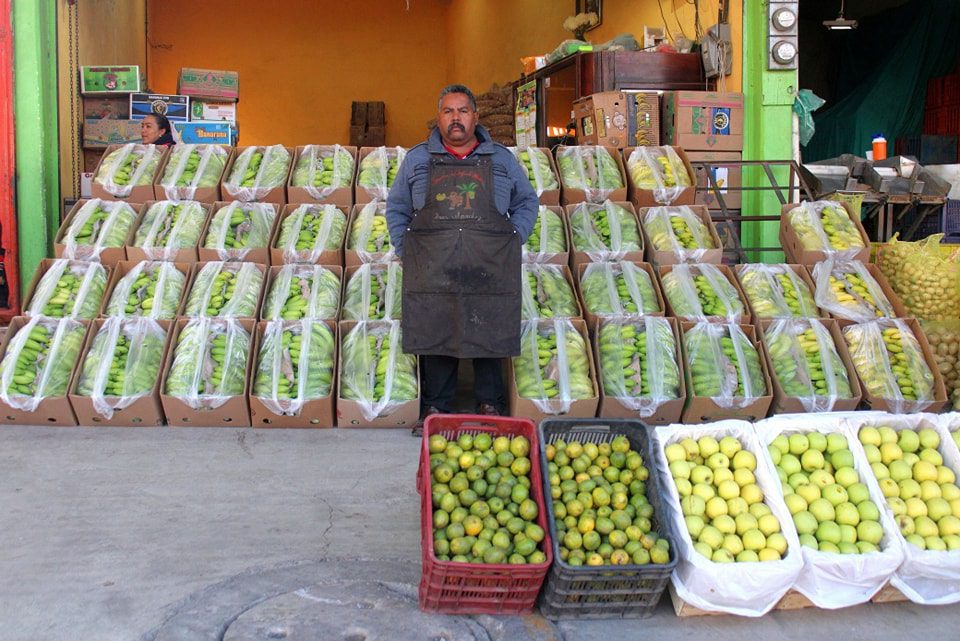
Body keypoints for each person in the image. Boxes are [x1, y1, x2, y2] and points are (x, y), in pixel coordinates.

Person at [386, 84, 539, 428]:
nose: (456, 119)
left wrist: (514, 237)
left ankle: (490, 403)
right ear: (438, 118)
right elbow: (396, 207)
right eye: (448, 112)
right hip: (433, 261)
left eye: (463, 111)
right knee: (435, 326)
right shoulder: (417, 159)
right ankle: (436, 406)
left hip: (488, 260)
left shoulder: (500, 159)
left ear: (475, 116)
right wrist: (405, 249)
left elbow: (527, 200)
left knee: (490, 325)